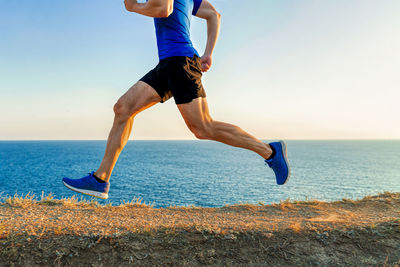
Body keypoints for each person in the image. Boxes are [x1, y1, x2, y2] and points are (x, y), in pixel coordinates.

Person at [62, 0, 290, 200]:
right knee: (123, 108)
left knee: (203, 128)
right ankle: (100, 180)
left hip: (181, 63)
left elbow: (163, 8)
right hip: (168, 64)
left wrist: (134, 7)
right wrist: (209, 53)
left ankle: (270, 152)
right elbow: (214, 14)